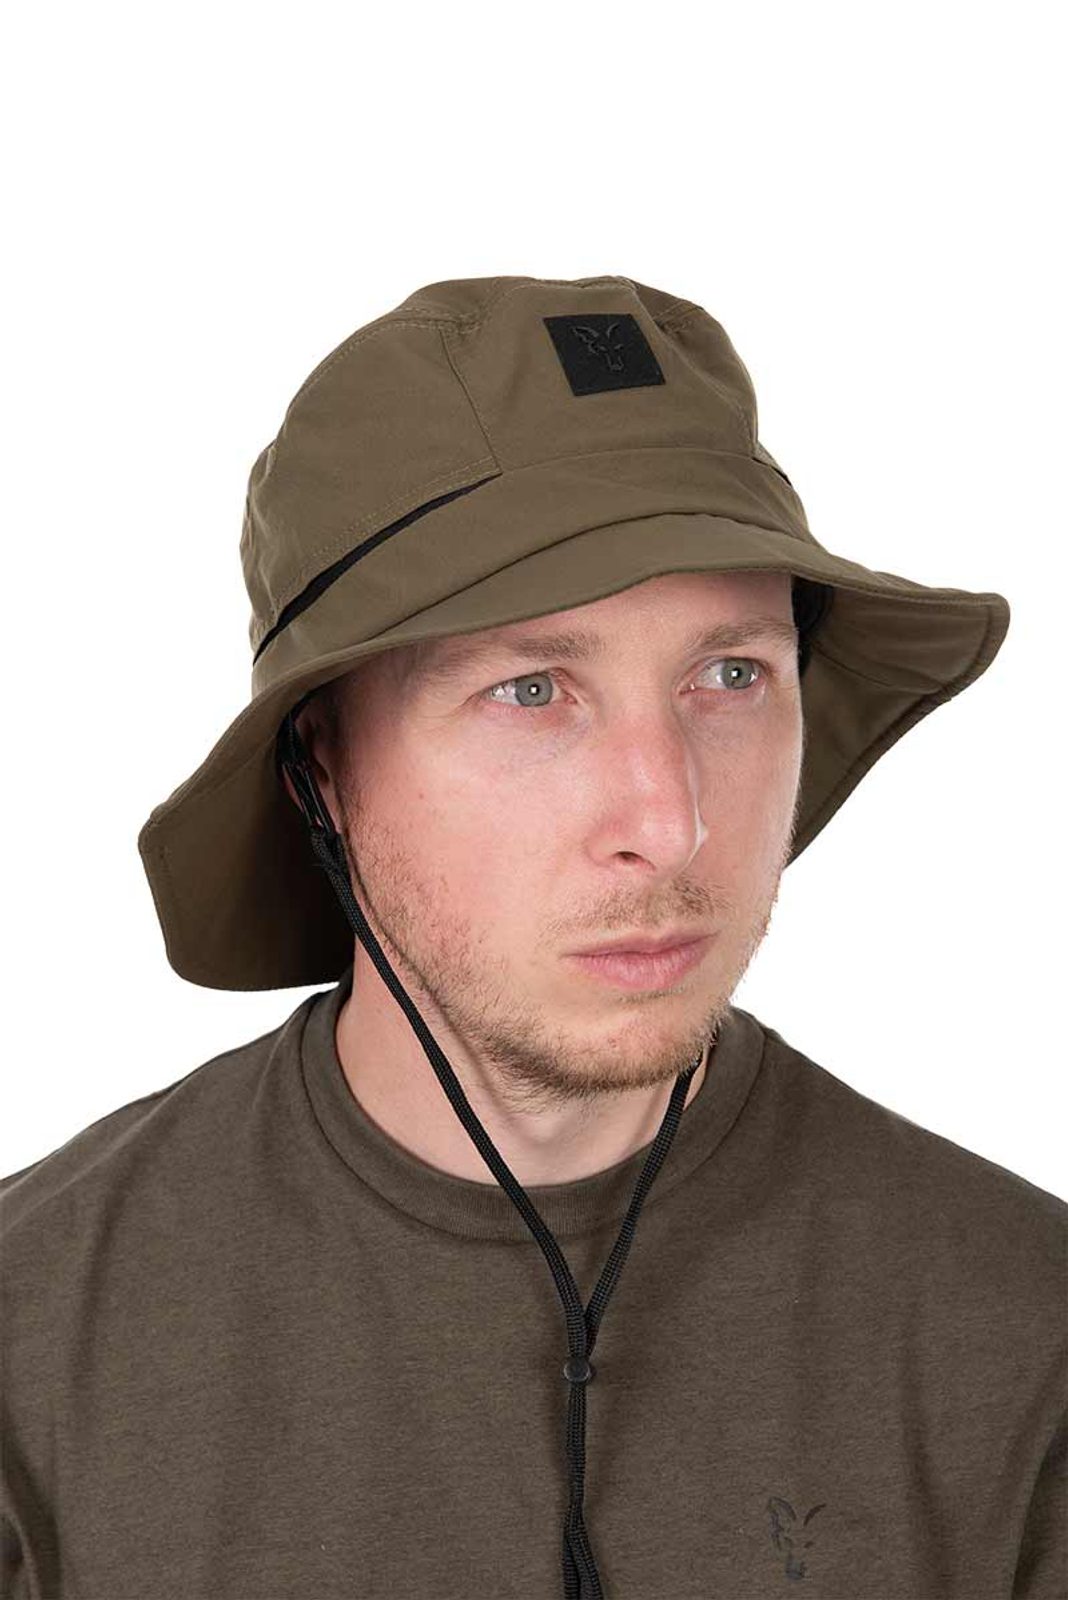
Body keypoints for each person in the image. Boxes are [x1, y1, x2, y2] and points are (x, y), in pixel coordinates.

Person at [1, 274, 1063, 1600]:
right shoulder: (34, 1352)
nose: (669, 822)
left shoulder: (1026, 1343)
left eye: (731, 675)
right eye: (533, 690)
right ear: (320, 765)